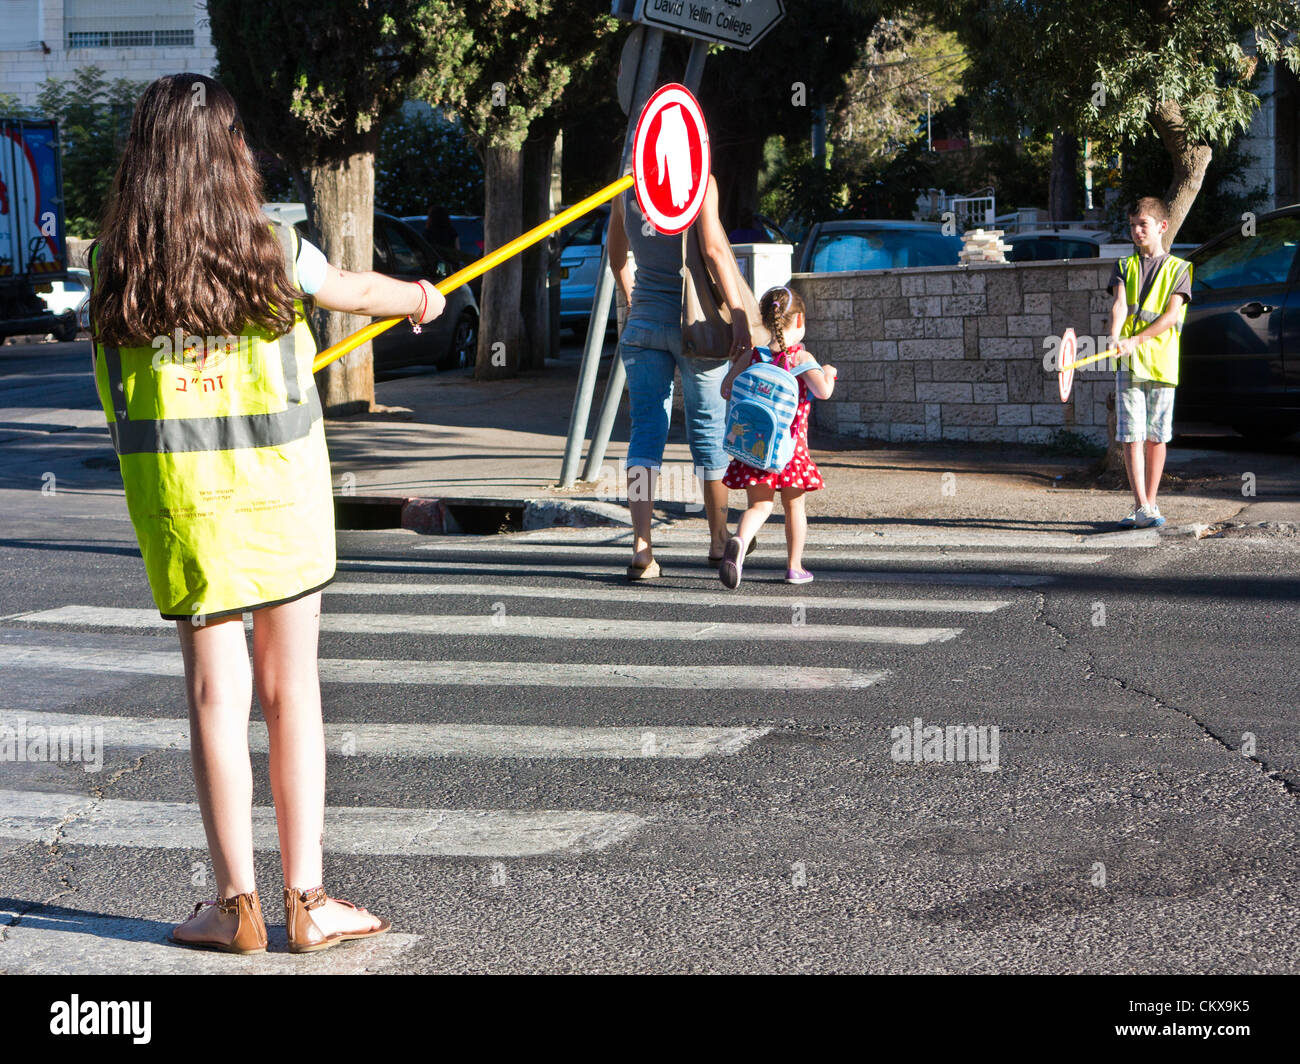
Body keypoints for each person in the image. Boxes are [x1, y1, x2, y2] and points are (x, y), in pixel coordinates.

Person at [88, 74, 445, 954]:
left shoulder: (115, 266)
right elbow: (356, 292)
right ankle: (309, 901)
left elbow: (112, 394)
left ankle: (233, 907)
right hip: (282, 503)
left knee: (215, 695)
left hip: (185, 511)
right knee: (293, 694)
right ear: (227, 153)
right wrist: (422, 299)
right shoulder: (275, 247)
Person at [608, 171, 753, 579]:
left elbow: (617, 259)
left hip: (643, 329)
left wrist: (637, 303)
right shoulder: (700, 182)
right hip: (699, 329)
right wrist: (740, 320)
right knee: (709, 431)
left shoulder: (628, 188)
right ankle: (718, 537)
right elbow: (713, 251)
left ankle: (641, 545)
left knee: (646, 433)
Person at [716, 286, 836, 588]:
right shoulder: (801, 357)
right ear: (799, 321)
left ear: (766, 320)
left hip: (755, 448)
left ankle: (740, 541)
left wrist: (739, 366)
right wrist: (829, 372)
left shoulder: (753, 356)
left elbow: (726, 390)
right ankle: (794, 567)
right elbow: (823, 391)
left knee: (759, 506)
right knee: (795, 508)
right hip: (791, 452)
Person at [1106, 196, 1192, 529]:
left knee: (1157, 436)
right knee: (1130, 435)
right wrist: (1115, 336)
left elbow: (1171, 316)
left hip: (1161, 363)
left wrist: (1136, 340)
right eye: (1132, 226)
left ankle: (1152, 503)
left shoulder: (1180, 269)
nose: (1137, 231)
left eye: (1143, 224)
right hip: (1129, 363)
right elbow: (1119, 306)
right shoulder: (1124, 266)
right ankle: (1140, 505)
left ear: (1161, 226)